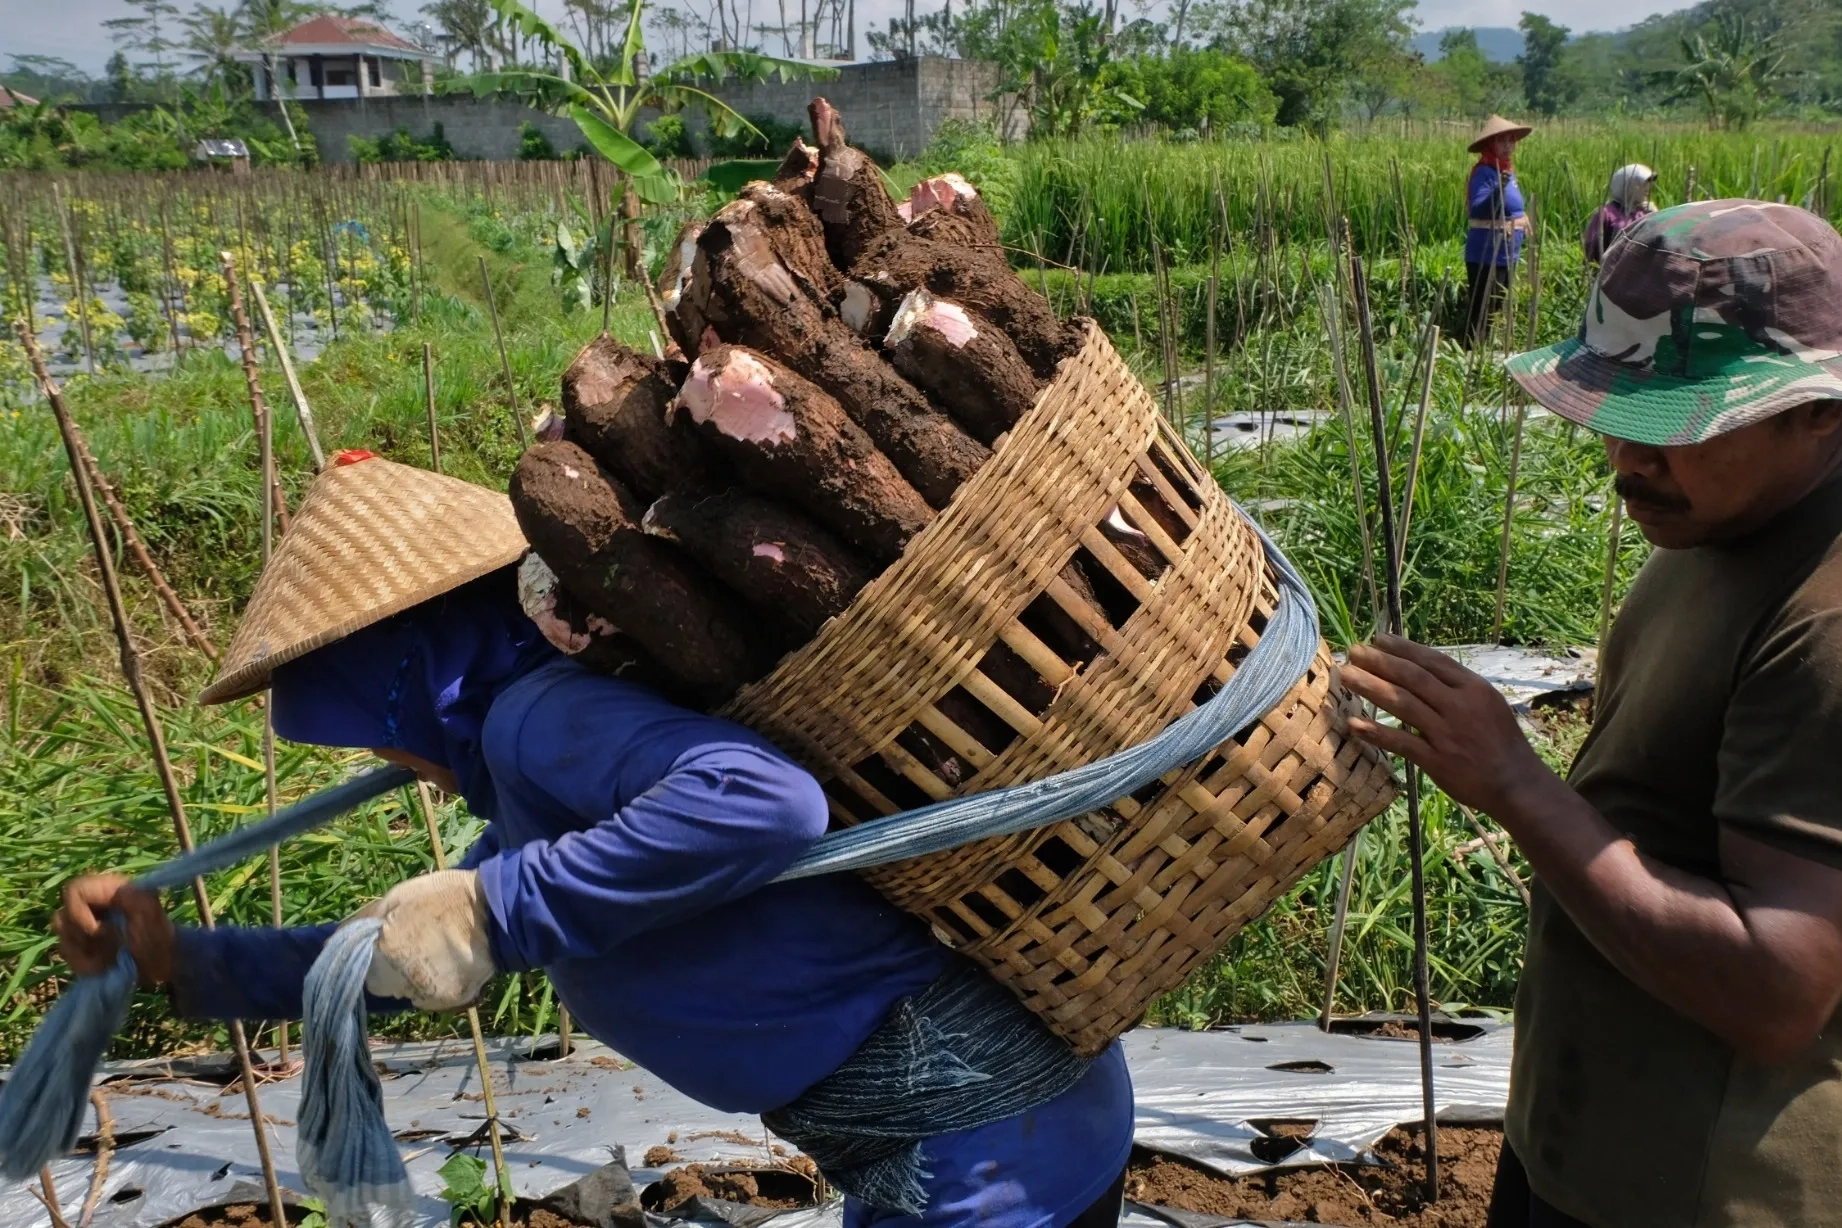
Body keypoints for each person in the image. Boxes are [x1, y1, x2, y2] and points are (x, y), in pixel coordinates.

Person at [51, 453, 1134, 1228]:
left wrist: (498, 910)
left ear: (407, 681)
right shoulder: (539, 797)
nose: (392, 762)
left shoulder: (538, 720)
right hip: (996, 1134)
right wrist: (181, 959)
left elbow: (765, 803)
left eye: (366, 727)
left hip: (980, 1153)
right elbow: (386, 963)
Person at [1342, 202, 1842, 1228]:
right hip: (1605, 1148)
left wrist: (1517, 784)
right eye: (1620, 418)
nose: (1626, 460)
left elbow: (1775, 990)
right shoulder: (1730, 519)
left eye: (1675, 424)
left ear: (1819, 412)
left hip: (1714, 1189)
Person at [1463, 113, 1533, 345]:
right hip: (1487, 252)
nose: (1507, 145)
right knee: (1483, 309)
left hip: (1506, 252)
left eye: (1510, 140)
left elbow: (1512, 207)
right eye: (1501, 141)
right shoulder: (1485, 172)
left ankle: (1486, 349)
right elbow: (1479, 208)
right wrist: (1498, 190)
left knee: (1496, 307)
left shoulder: (1506, 172)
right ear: (1490, 145)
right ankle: (1472, 352)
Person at [1582, 163, 1656, 265]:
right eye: (1643, 185)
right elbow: (1592, 247)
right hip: (1611, 271)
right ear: (1629, 186)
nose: (1648, 189)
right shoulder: (1606, 214)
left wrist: (1657, 215)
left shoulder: (1644, 213)